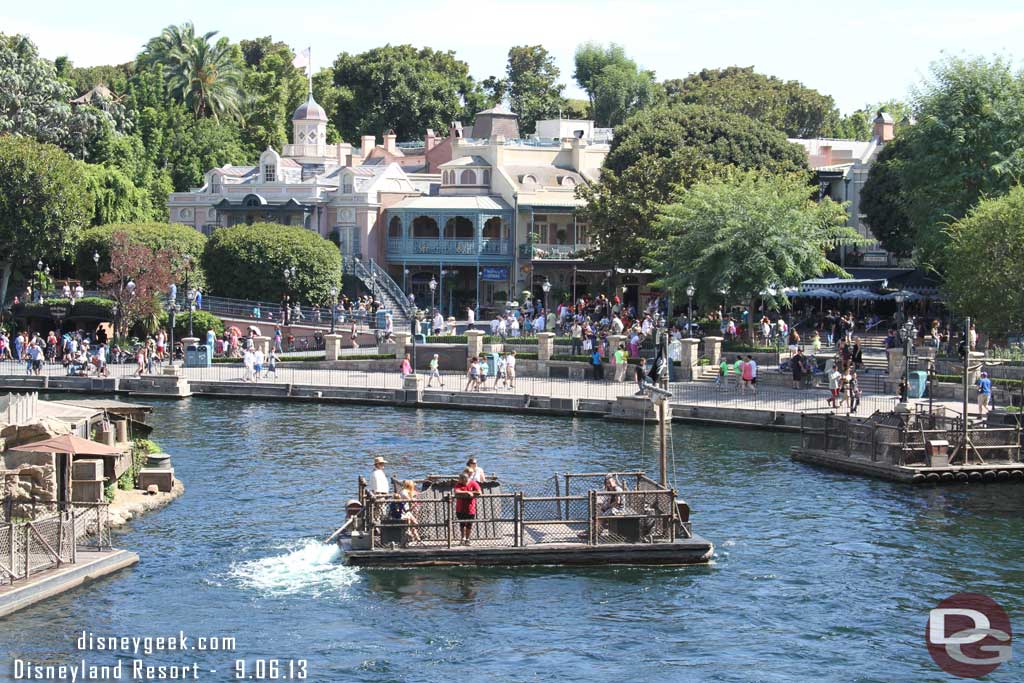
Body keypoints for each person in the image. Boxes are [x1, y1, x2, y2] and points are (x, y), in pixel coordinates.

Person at [453, 471, 482, 545]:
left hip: (470, 508)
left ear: (465, 479)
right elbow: (456, 491)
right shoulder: (458, 484)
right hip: (460, 508)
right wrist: (467, 492)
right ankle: (462, 538)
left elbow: (479, 492)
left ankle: (467, 539)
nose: (458, 481)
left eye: (460, 479)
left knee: (469, 524)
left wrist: (472, 492)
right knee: (462, 524)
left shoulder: (473, 483)